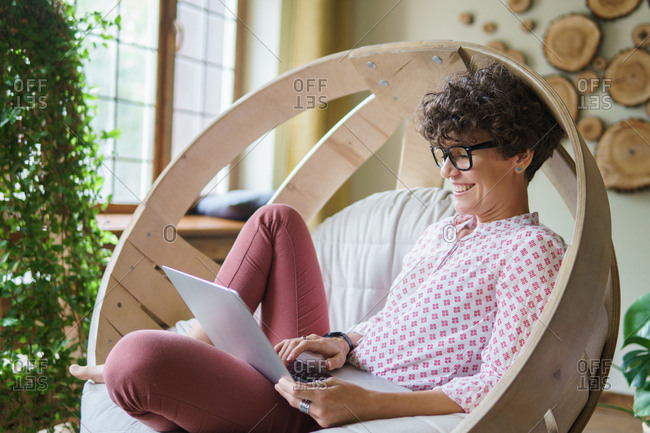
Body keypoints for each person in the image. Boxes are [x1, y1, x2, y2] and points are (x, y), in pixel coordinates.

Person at [70, 62, 566, 432]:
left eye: (461, 155)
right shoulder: (447, 229)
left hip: (335, 404)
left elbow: (502, 383)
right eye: (443, 153)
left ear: (521, 154)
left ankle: (188, 375)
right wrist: (343, 341)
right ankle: (202, 342)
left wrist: (361, 403)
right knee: (276, 221)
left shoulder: (531, 250)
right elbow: (396, 323)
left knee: (136, 360)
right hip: (330, 369)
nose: (445, 172)